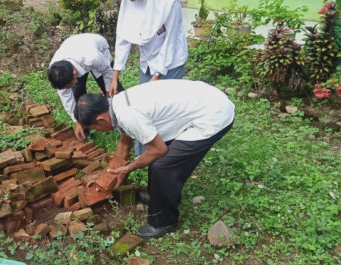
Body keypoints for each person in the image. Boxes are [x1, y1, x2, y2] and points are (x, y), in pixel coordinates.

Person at [75, 79, 235, 239]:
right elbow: (125, 141)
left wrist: (130, 167)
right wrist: (118, 169)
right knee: (158, 158)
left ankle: (164, 221)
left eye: (94, 128)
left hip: (213, 115)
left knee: (163, 166)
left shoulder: (128, 115)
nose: (99, 131)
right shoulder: (116, 105)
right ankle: (156, 195)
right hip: (201, 102)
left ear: (101, 119)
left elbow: (159, 149)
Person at [108, 0, 188, 98]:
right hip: (148, 61)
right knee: (146, 103)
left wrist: (157, 76)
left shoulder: (168, 1)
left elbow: (170, 42)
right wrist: (115, 77)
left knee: (166, 104)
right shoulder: (129, 0)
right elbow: (123, 36)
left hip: (171, 62)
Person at [47, 33, 123, 140]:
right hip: (72, 47)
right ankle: (85, 130)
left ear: (74, 73)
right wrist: (76, 122)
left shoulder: (92, 57)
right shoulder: (56, 72)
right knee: (78, 96)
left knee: (114, 91)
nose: (68, 89)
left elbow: (108, 71)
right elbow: (66, 98)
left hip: (97, 46)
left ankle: (123, 124)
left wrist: (108, 93)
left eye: (70, 85)